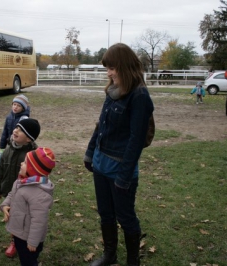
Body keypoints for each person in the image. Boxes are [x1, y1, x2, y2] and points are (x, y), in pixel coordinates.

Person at [84, 43, 154, 266]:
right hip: (100, 164)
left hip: (121, 170)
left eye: (112, 68)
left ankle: (133, 261)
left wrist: (124, 176)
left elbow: (136, 140)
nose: (109, 73)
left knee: (125, 217)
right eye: (107, 68)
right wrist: (90, 152)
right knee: (106, 214)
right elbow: (101, 125)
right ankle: (110, 255)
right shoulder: (113, 90)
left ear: (123, 66)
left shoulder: (139, 96)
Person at [0, 118, 40, 258]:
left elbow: (38, 177)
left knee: (26, 219)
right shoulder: (8, 150)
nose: (15, 130)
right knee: (14, 218)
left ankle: (30, 239)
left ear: (28, 139)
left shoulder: (32, 155)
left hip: (26, 196)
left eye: (20, 130)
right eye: (16, 128)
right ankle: (15, 241)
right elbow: (0, 170)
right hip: (10, 193)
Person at [0, 147, 56, 266]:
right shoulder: (22, 181)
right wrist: (5, 205)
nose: (21, 163)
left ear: (32, 169)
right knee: (25, 257)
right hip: (20, 232)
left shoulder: (40, 195)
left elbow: (39, 221)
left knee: (28, 261)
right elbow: (12, 194)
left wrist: (33, 241)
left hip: (28, 238)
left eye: (25, 162)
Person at [0, 94, 30, 165]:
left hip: (19, 144)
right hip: (10, 143)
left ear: (23, 108)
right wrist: (2, 147)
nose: (15, 107)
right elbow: (5, 132)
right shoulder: (9, 117)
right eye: (14, 104)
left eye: (19, 105)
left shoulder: (24, 119)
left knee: (17, 159)